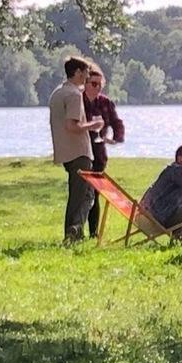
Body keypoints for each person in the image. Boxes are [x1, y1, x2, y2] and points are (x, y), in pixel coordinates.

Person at [49, 57, 107, 245]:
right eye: (86, 73)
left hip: (64, 151)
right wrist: (94, 124)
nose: (87, 77)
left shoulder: (57, 93)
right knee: (86, 194)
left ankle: (72, 231)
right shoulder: (73, 95)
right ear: (78, 73)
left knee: (77, 193)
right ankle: (75, 230)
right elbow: (72, 125)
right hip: (78, 151)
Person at [80, 67, 125, 240]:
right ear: (85, 83)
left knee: (95, 192)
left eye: (100, 84)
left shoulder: (105, 102)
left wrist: (116, 138)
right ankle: (76, 231)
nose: (97, 87)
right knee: (81, 192)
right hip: (81, 150)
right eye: (94, 83)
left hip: (98, 152)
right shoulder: (78, 101)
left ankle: (93, 233)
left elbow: (116, 122)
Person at [140, 144, 182, 239]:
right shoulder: (178, 171)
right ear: (180, 158)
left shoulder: (173, 170)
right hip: (159, 218)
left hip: (153, 215)